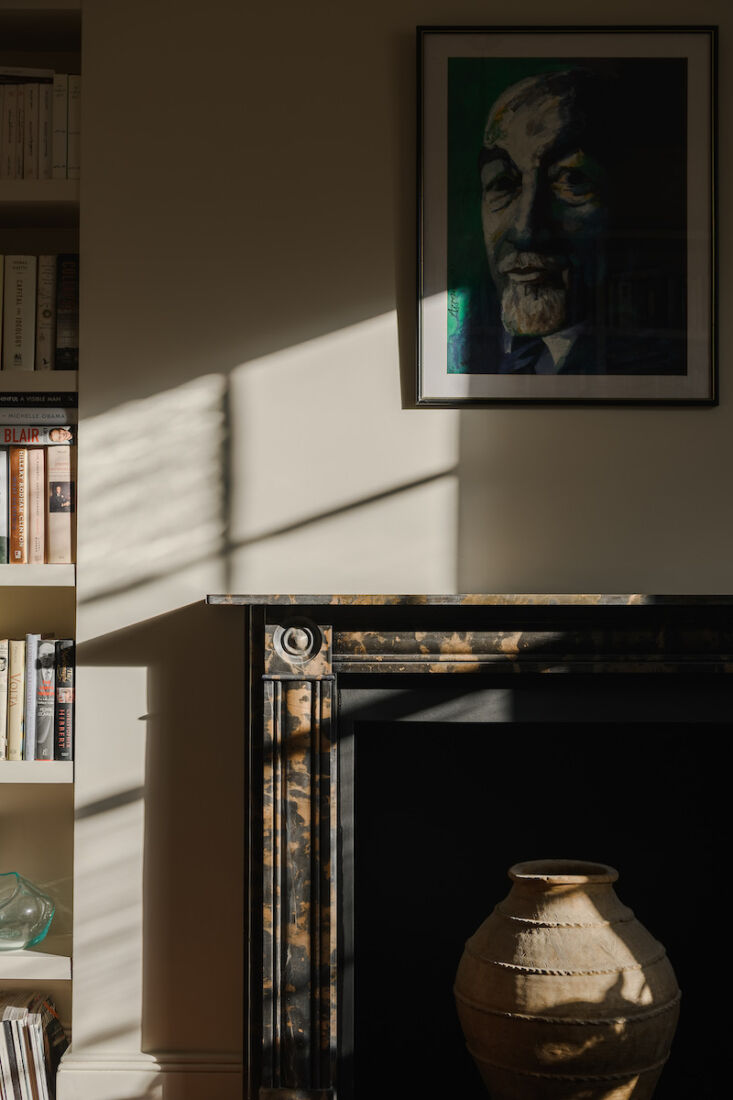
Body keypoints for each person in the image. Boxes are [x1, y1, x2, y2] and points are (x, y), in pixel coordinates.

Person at [458, 67, 685, 375]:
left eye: (571, 179)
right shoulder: (485, 359)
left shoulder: (662, 364)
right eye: (503, 184)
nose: (526, 230)